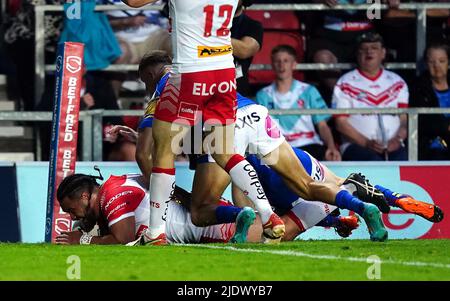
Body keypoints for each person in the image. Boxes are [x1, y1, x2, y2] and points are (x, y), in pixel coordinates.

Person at [126, 50, 392, 242]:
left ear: (150, 74)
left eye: (144, 82)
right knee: (306, 186)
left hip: (222, 131)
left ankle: (245, 215)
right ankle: (362, 207)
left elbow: (145, 153)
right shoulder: (197, 66)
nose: (147, 88)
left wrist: (169, 193)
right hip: (255, 114)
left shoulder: (163, 88)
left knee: (199, 210)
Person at [122, 0, 285, 245]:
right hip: (224, 73)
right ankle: (268, 215)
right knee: (225, 152)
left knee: (163, 149)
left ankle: (155, 233)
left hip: (189, 73)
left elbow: (132, 2)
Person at [54, 170, 361, 245]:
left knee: (278, 235)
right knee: (274, 224)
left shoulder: (113, 192)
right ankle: (331, 217)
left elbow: (122, 238)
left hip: (208, 228)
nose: (72, 217)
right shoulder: (119, 184)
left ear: (84, 197)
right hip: (207, 217)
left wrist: (81, 239)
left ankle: (345, 190)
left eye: (71, 210)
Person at [256, 45, 341, 161]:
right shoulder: (263, 95)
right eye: (277, 61)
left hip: (309, 145)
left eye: (286, 61)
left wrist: (331, 147)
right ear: (272, 65)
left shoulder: (308, 90)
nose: (281, 65)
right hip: (280, 147)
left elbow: (322, 125)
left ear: (294, 64)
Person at [332, 32, 409, 161]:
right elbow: (340, 123)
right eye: (364, 49)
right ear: (357, 54)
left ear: (383, 53)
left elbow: (404, 119)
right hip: (356, 146)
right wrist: (366, 142)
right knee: (374, 162)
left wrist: (398, 140)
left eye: (374, 48)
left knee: (404, 160)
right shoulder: (344, 83)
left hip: (394, 146)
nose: (369, 52)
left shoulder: (397, 82)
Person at [411, 43, 450, 160]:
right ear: (426, 64)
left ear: (448, 63)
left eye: (441, 61)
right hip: (430, 147)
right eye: (432, 61)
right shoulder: (417, 88)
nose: (437, 66)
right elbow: (426, 123)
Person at [231, 0, 263, 97]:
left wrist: (211, 38)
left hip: (237, 91)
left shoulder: (252, 25)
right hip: (205, 86)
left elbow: (245, 50)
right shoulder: (206, 23)